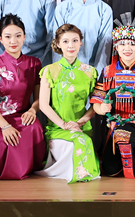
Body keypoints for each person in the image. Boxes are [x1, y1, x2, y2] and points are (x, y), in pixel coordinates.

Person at [0, 14, 45, 180]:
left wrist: (32, 110)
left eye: (18, 36)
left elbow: (39, 99)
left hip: (23, 117)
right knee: (0, 142)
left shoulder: (34, 64)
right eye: (7, 37)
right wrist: (5, 126)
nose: (13, 41)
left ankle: (27, 167)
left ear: (24, 37)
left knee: (34, 127)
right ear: (0, 39)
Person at [91, 17, 135, 179]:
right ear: (116, 47)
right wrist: (101, 109)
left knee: (125, 136)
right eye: (122, 44)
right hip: (113, 123)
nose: (127, 48)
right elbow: (96, 102)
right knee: (111, 170)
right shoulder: (107, 71)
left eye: (132, 44)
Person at [36, 24, 99, 183]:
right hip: (57, 127)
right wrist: (64, 125)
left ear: (81, 42)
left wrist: (80, 122)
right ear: (58, 44)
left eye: (75, 40)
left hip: (81, 126)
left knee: (82, 138)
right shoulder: (49, 70)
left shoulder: (90, 71)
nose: (71, 45)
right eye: (65, 41)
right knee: (78, 141)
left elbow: (95, 104)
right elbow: (43, 105)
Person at [52, 0, 113, 71]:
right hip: (66, 69)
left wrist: (98, 72)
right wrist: (59, 69)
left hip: (92, 69)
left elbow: (105, 43)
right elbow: (57, 39)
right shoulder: (63, 7)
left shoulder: (104, 9)